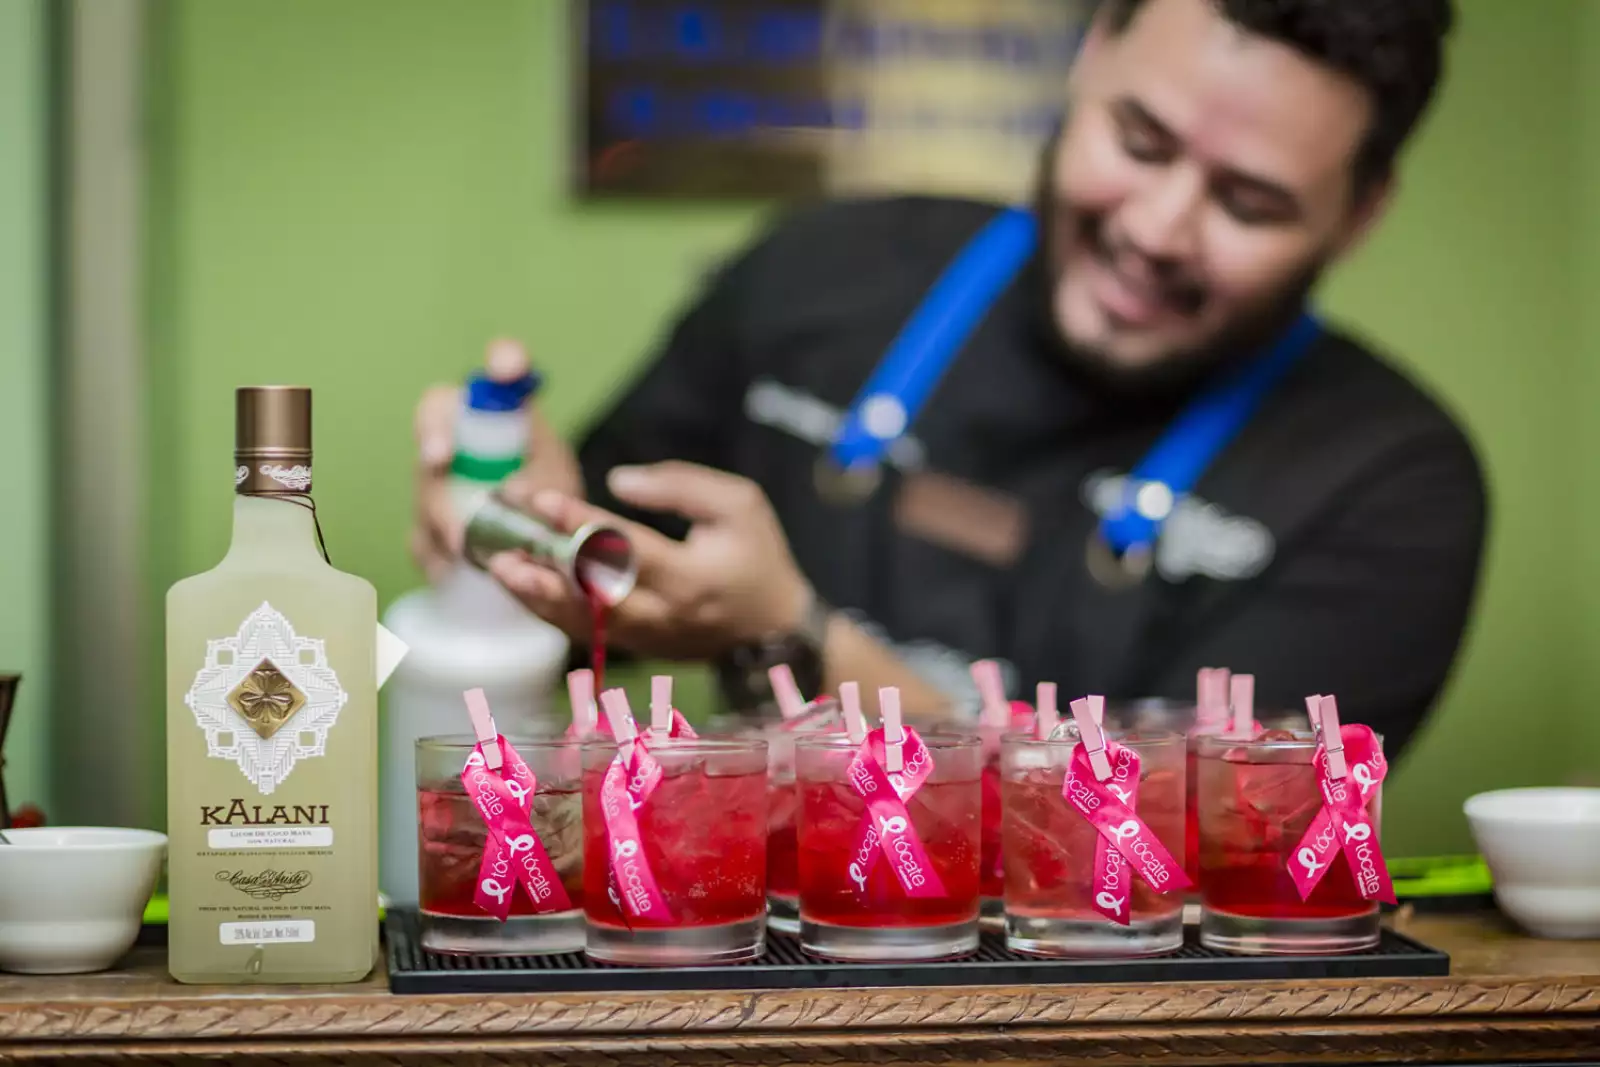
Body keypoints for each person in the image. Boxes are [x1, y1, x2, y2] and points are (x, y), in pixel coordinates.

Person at [414, 0, 1482, 759]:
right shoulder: (818, 271)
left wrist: (783, 632)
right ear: (1088, 55)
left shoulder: (1392, 481)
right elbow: (588, 616)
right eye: (1139, 138)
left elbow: (1158, 846)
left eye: (1247, 204)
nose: (1159, 229)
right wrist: (522, 546)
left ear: (1359, 212)